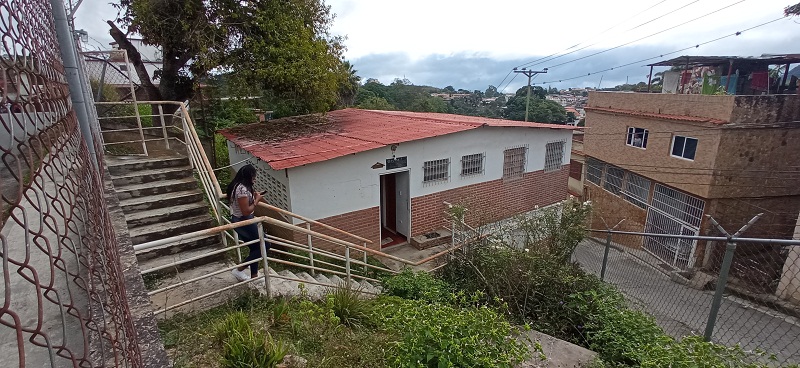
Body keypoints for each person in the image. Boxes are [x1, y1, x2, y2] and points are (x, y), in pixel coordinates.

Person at [227, 164, 269, 281]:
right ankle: (239, 270)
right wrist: (256, 201)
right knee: (264, 245)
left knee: (255, 247)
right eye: (253, 177)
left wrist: (254, 196)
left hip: (243, 220)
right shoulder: (242, 189)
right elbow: (246, 211)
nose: (254, 180)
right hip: (244, 221)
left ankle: (254, 275)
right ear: (248, 177)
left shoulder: (238, 186)